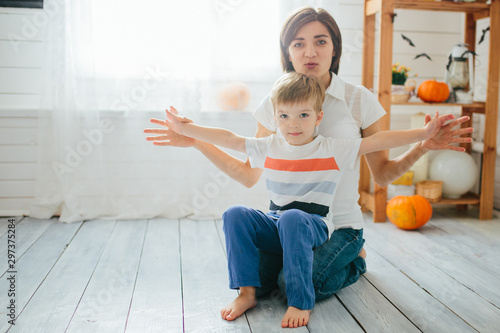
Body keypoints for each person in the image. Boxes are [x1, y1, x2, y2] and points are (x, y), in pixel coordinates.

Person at [144, 5, 472, 327]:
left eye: (320, 41)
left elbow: (383, 171)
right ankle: (260, 283)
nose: (309, 51)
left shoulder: (358, 100)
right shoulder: (277, 100)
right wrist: (196, 140)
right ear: (287, 52)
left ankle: (355, 259)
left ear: (335, 48)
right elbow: (246, 171)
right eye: (298, 43)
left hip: (336, 225)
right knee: (259, 279)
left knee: (293, 285)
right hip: (284, 222)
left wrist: (422, 144)